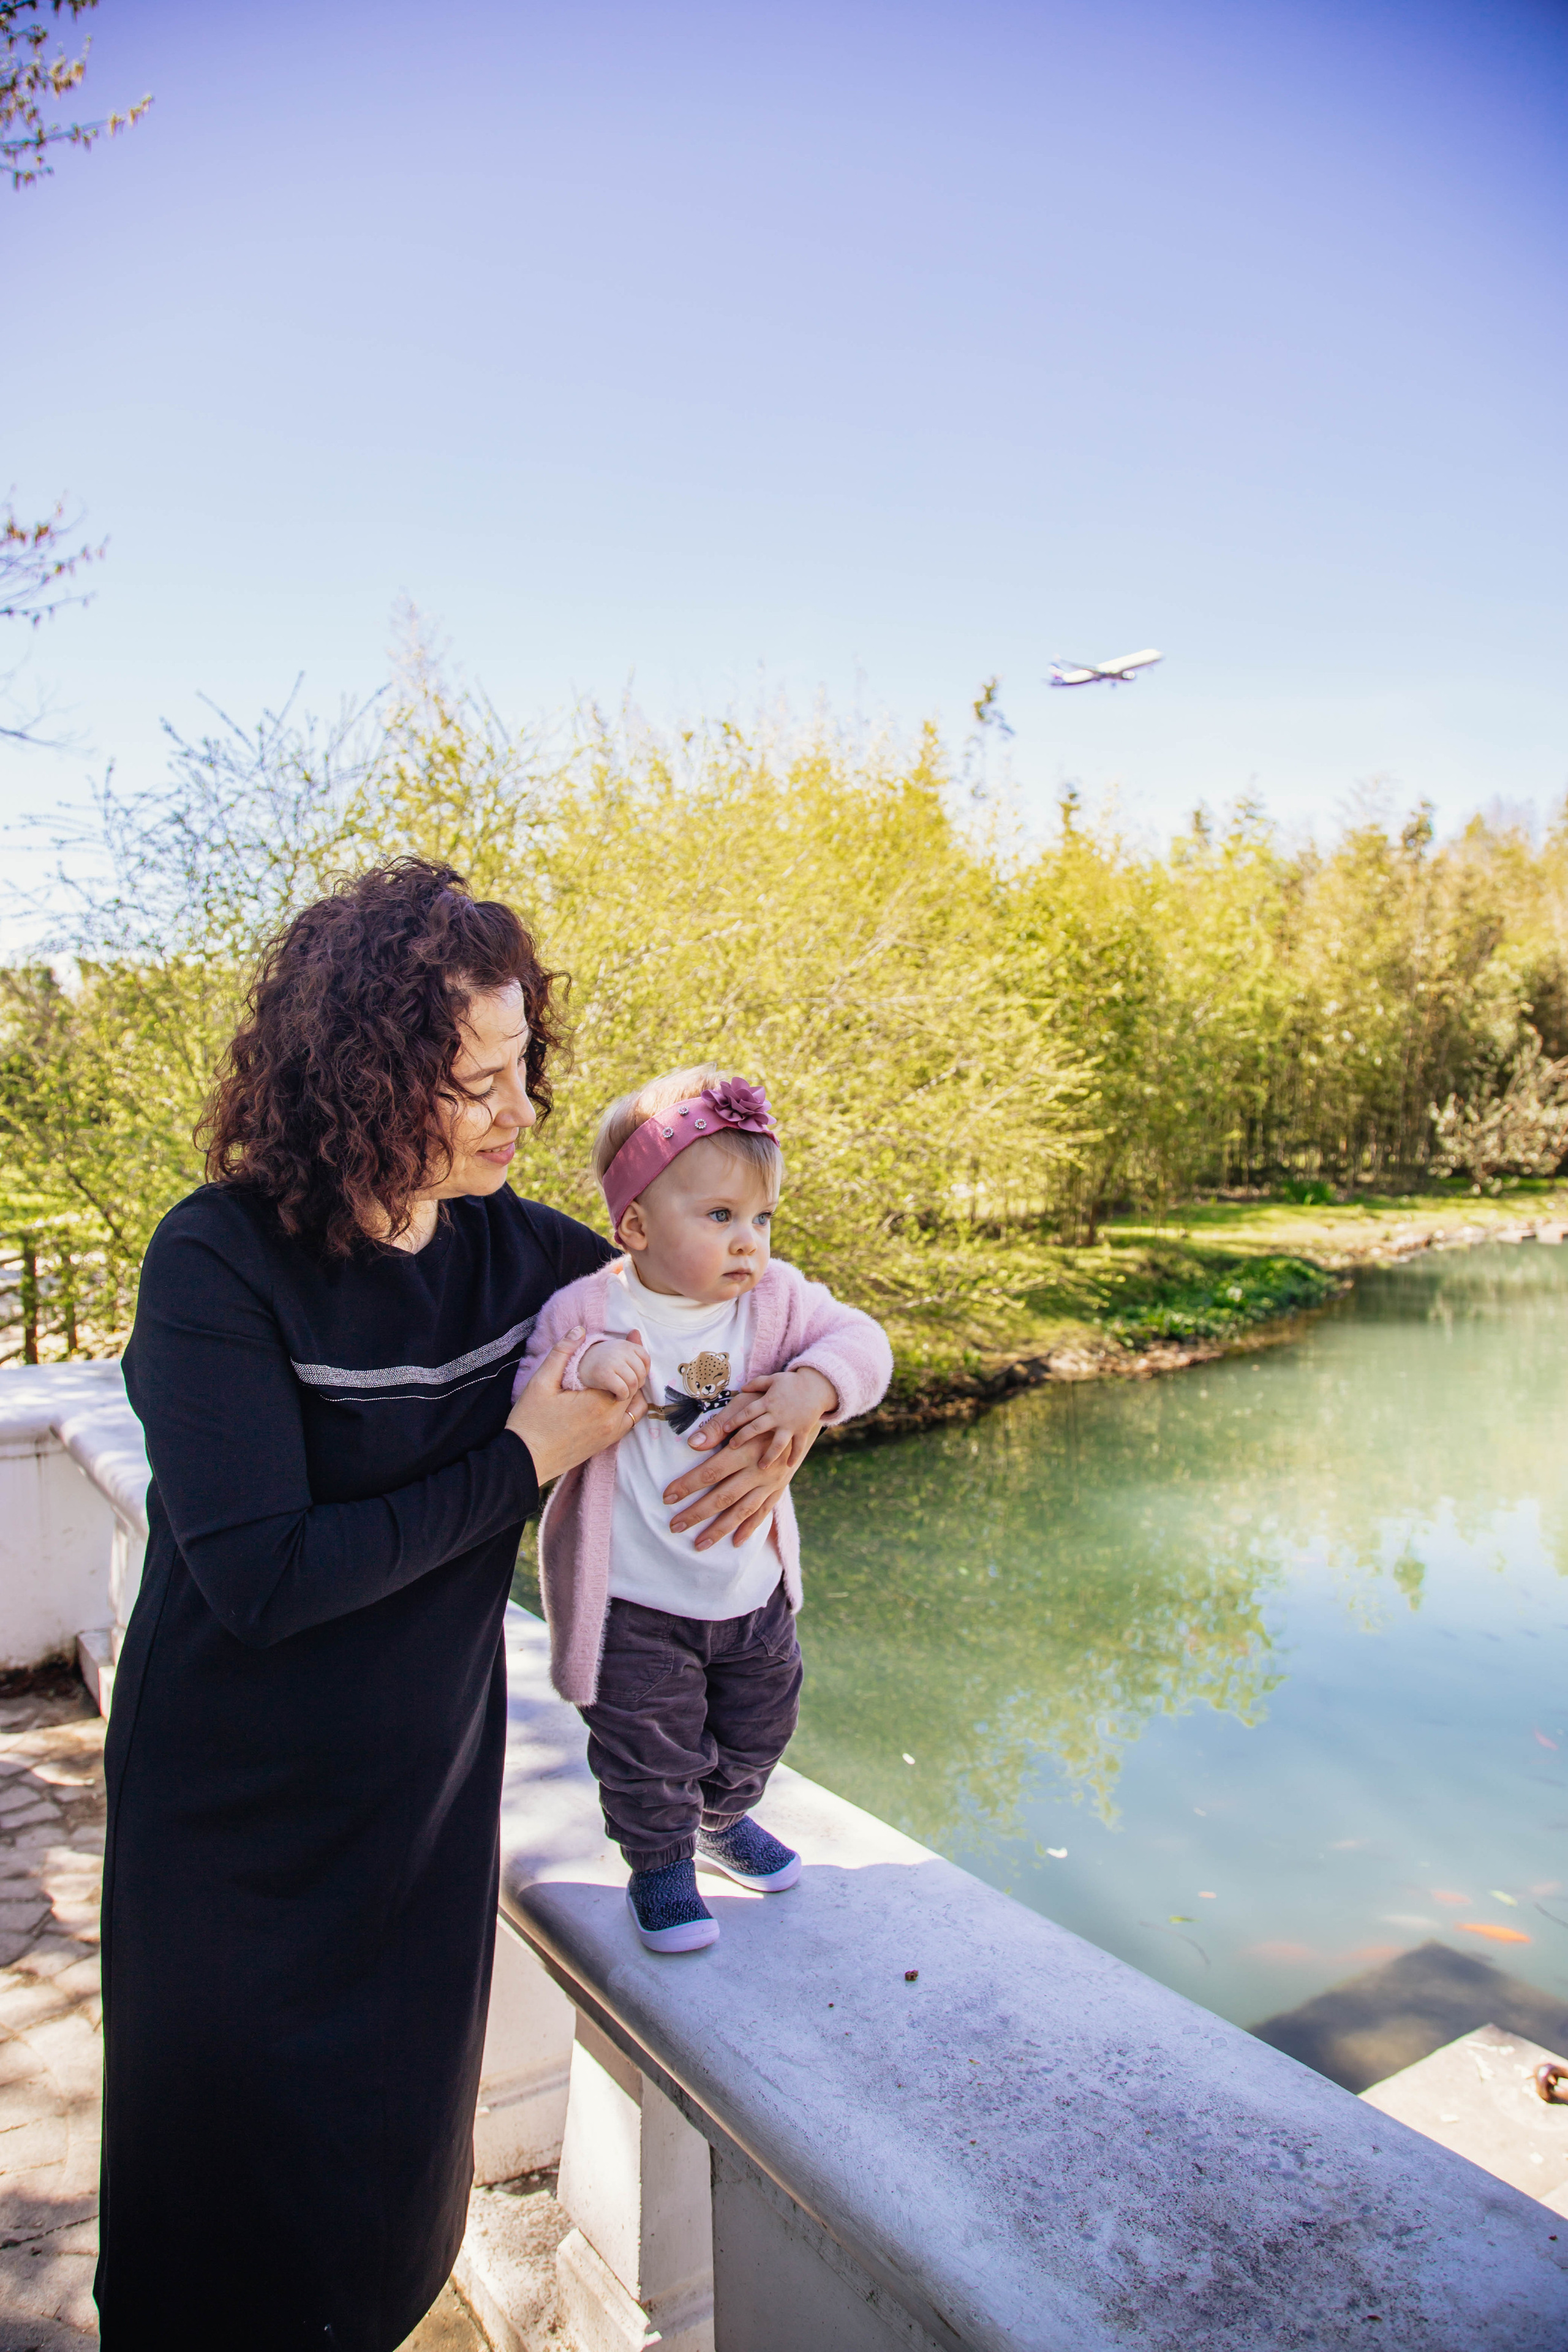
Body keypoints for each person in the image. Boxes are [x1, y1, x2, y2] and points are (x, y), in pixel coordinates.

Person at [96, 864, 802, 2351]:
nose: (518, 1110)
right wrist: (530, 1454)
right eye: (473, 1081)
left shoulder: (528, 1262)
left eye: (520, 1067)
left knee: (384, 2211)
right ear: (356, 1081)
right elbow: (267, 1580)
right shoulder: (216, 1261)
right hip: (232, 1836)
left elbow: (734, 1291)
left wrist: (801, 1393)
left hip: (419, 1817)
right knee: (215, 2241)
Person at [510, 1064, 892, 1953]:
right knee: (648, 1752)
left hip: (748, 1594)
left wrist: (812, 1387)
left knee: (765, 1721)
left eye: (761, 1219)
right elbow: (533, 1385)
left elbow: (864, 1343)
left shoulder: (777, 1301)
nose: (747, 1242)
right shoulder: (588, 1309)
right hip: (636, 1604)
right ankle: (660, 1864)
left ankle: (724, 1820)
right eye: (719, 1217)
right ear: (636, 1225)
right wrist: (586, 1366)